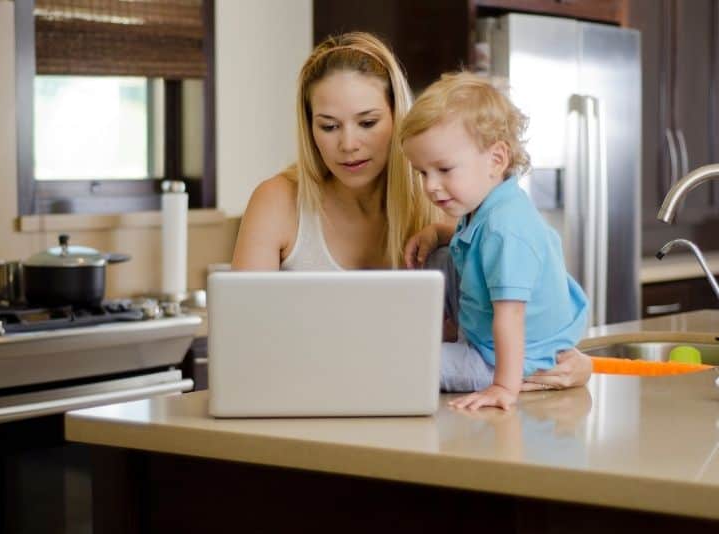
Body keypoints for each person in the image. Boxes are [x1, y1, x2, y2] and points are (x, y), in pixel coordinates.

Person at [232, 32, 591, 391]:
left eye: (368, 122)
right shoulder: (277, 202)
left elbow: (522, 306)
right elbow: (240, 349)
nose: (348, 144)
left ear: (398, 118)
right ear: (309, 129)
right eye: (328, 126)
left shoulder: (439, 200)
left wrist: (574, 363)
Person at [400, 71, 591, 410]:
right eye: (422, 173)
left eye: (444, 170)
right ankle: (442, 338)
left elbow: (511, 314)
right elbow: (472, 246)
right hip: (492, 334)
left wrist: (504, 386)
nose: (430, 185)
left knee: (408, 364)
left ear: (496, 160)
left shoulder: (506, 228)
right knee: (441, 256)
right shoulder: (489, 205)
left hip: (507, 357)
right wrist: (436, 232)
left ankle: (453, 353)